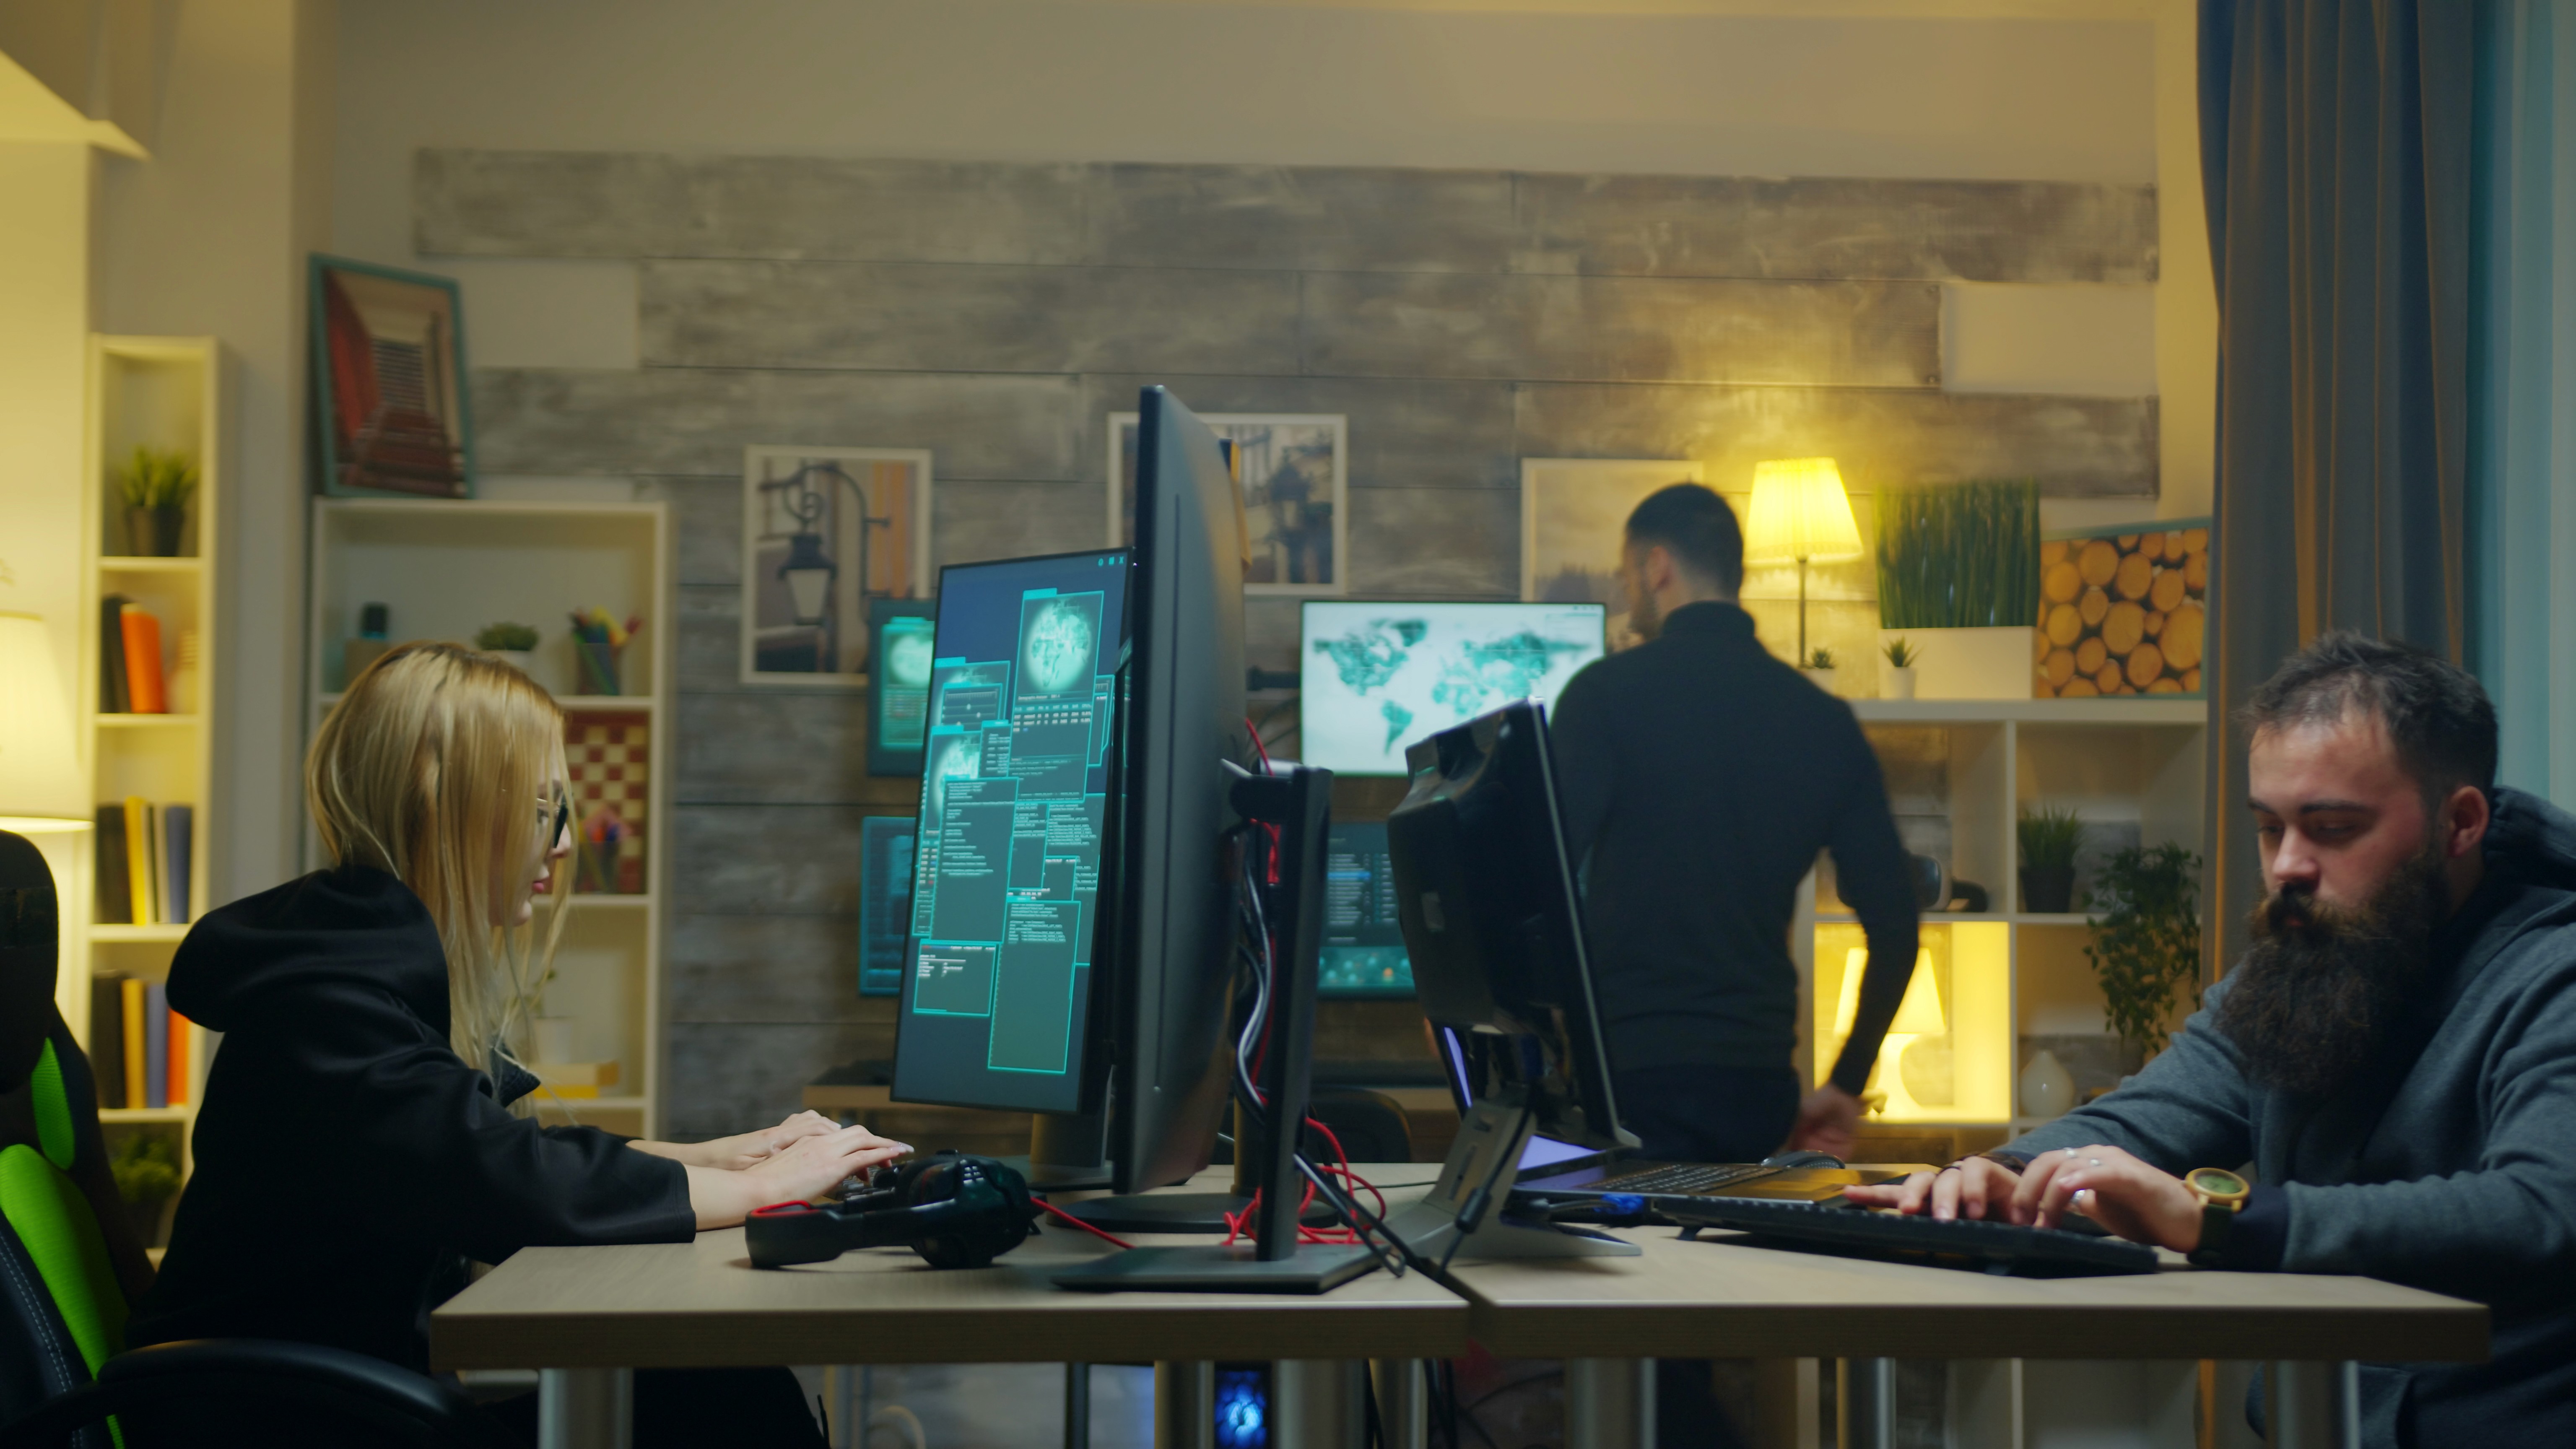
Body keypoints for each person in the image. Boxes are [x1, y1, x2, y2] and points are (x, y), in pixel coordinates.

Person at [127, 643, 910, 1447]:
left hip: (334, 1408)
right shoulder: (327, 1013)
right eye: (543, 811)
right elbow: (509, 1183)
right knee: (726, 1403)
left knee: (716, 1388)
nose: (563, 844)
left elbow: (480, 1152)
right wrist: (768, 1186)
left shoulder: (352, 976)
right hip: (286, 1425)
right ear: (444, 806)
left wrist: (717, 1158)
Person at [1851, 632, 2576, 1445]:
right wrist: (1998, 1174)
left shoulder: (2558, 972)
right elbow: (2143, 1118)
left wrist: (2219, 1218)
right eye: (2271, 829)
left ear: (2461, 823)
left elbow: (2540, 1211)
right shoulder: (2306, 966)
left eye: (2333, 828)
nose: (2288, 868)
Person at [1550, 482, 1920, 1164]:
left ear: (1656, 566)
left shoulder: (1603, 697)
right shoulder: (1822, 721)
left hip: (1628, 1079)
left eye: (1628, 571)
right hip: (1759, 1090)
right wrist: (1847, 1080)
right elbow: (1897, 926)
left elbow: (1538, 885)